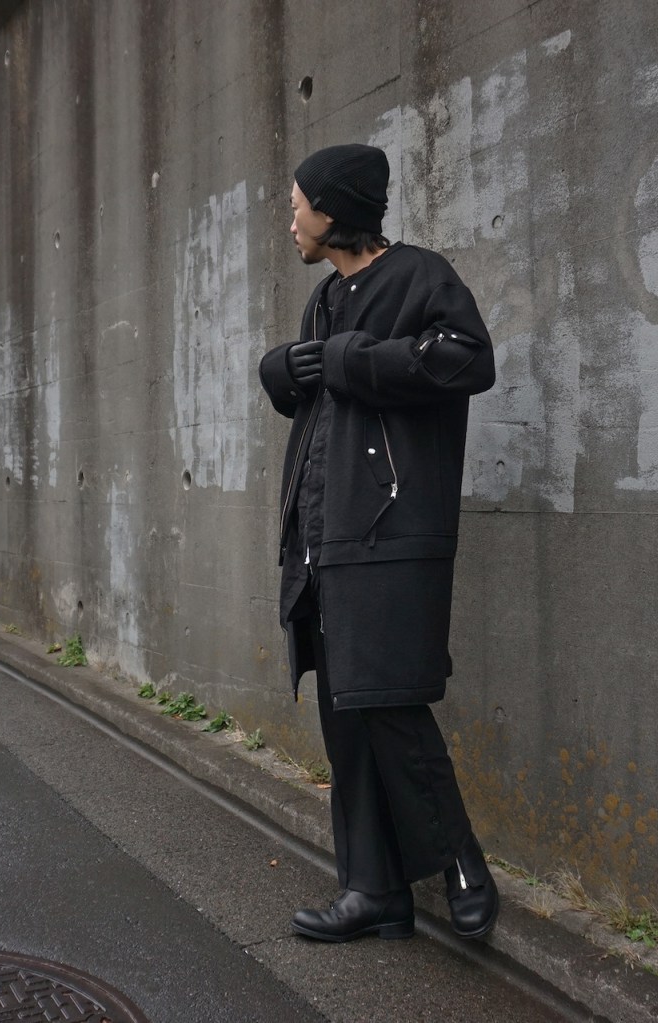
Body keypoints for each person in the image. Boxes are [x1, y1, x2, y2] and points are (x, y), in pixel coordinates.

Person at [258, 143, 498, 943]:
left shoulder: (420, 277)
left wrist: (347, 359)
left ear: (331, 211)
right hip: (323, 536)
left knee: (390, 704)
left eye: (297, 206)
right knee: (347, 719)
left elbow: (467, 360)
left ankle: (461, 863)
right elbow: (322, 404)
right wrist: (283, 370)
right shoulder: (326, 298)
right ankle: (372, 888)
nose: (291, 221)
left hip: (389, 534)